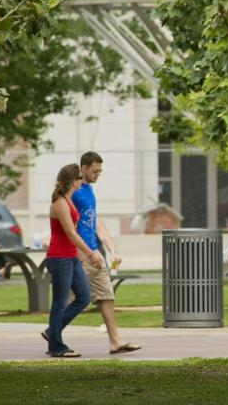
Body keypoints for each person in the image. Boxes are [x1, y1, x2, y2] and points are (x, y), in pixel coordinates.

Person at [72, 151, 141, 355]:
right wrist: (80, 252)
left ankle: (115, 341)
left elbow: (96, 223)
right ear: (83, 168)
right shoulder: (74, 192)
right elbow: (68, 225)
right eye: (94, 171)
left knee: (106, 294)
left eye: (100, 171)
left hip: (94, 252)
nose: (97, 175)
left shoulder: (89, 191)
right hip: (81, 254)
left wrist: (111, 250)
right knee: (71, 300)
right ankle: (53, 333)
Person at [45, 163, 105, 357]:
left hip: (70, 257)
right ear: (73, 181)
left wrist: (80, 256)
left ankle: (52, 332)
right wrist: (90, 253)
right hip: (59, 258)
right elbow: (70, 233)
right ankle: (55, 346)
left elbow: (73, 233)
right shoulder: (60, 203)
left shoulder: (69, 200)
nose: (82, 180)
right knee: (59, 303)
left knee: (83, 297)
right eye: (80, 177)